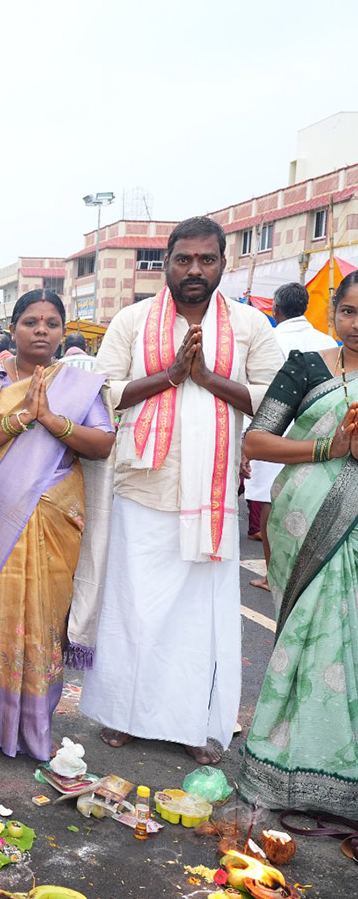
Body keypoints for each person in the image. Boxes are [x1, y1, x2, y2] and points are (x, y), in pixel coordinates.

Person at [79, 216, 283, 765]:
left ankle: (192, 721)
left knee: (199, 619)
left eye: (206, 259)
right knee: (133, 608)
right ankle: (123, 714)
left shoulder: (249, 326)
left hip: (211, 497)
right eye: (184, 259)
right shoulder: (131, 320)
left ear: (223, 264)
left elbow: (274, 400)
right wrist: (170, 376)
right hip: (143, 489)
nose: (195, 269)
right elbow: (102, 391)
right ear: (166, 263)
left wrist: (209, 379)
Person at [0, 290, 115, 761]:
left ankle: (35, 726)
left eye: (51, 323)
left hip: (54, 513)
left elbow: (102, 444)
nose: (41, 330)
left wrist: (51, 420)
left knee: (45, 620)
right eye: (31, 322)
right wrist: (18, 420)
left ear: (63, 331)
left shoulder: (78, 384)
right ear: (12, 329)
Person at [237, 271, 358, 817]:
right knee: (313, 636)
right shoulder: (306, 367)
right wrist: (328, 447)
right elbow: (256, 440)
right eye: (349, 311)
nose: (357, 324)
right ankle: (290, 765)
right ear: (332, 313)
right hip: (305, 521)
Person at [243, 282, 335, 591]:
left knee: (269, 501)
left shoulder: (269, 339)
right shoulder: (327, 342)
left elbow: (257, 396)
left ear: (275, 309)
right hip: (321, 439)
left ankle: (274, 576)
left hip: (275, 436)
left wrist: (245, 443)